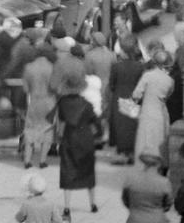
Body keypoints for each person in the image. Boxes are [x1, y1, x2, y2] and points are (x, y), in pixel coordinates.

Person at [54, 72, 100, 213]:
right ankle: (92, 204)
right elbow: (97, 126)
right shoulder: (87, 105)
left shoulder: (62, 103)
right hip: (86, 139)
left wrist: (58, 139)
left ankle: (67, 206)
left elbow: (60, 122)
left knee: (67, 171)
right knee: (88, 172)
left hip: (69, 138)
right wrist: (96, 135)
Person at [133, 45, 176, 164]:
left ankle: (142, 166)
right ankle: (158, 165)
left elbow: (136, 94)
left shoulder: (147, 75)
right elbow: (168, 95)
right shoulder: (169, 81)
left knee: (144, 140)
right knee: (159, 140)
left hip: (146, 112)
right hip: (160, 113)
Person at [107, 35, 147, 163]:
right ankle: (131, 152)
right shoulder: (140, 67)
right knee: (131, 125)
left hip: (119, 97)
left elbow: (111, 84)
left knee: (120, 126)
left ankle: (122, 152)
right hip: (133, 98)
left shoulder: (116, 66)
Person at [22, 41, 58, 169]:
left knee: (30, 128)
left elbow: (25, 89)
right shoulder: (53, 67)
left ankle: (27, 160)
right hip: (49, 102)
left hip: (35, 101)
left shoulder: (28, 67)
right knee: (47, 129)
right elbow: (56, 87)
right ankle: (42, 161)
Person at [83, 32, 116, 147]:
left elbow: (87, 72)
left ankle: (97, 133)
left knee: (96, 111)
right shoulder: (112, 55)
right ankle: (106, 134)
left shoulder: (89, 55)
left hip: (96, 87)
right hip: (109, 87)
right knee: (107, 112)